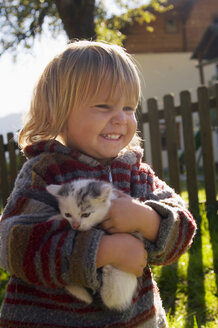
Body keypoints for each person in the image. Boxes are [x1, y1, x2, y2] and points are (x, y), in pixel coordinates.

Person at [0, 40, 196, 328]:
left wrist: (147, 219)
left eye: (129, 107)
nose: (121, 118)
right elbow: (12, 244)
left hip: (135, 319)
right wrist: (102, 251)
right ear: (58, 113)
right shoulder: (46, 173)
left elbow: (184, 226)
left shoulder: (135, 174)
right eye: (104, 106)